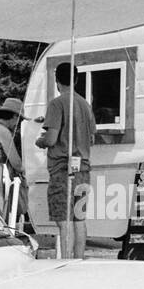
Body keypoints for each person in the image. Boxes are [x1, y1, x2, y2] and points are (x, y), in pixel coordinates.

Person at [35, 62, 95, 259]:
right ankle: (78, 260)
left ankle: (67, 262)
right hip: (83, 168)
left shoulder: (57, 103)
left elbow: (51, 139)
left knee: (64, 219)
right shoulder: (85, 105)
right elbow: (92, 138)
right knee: (79, 218)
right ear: (76, 79)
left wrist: (41, 141)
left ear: (57, 80)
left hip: (63, 169)